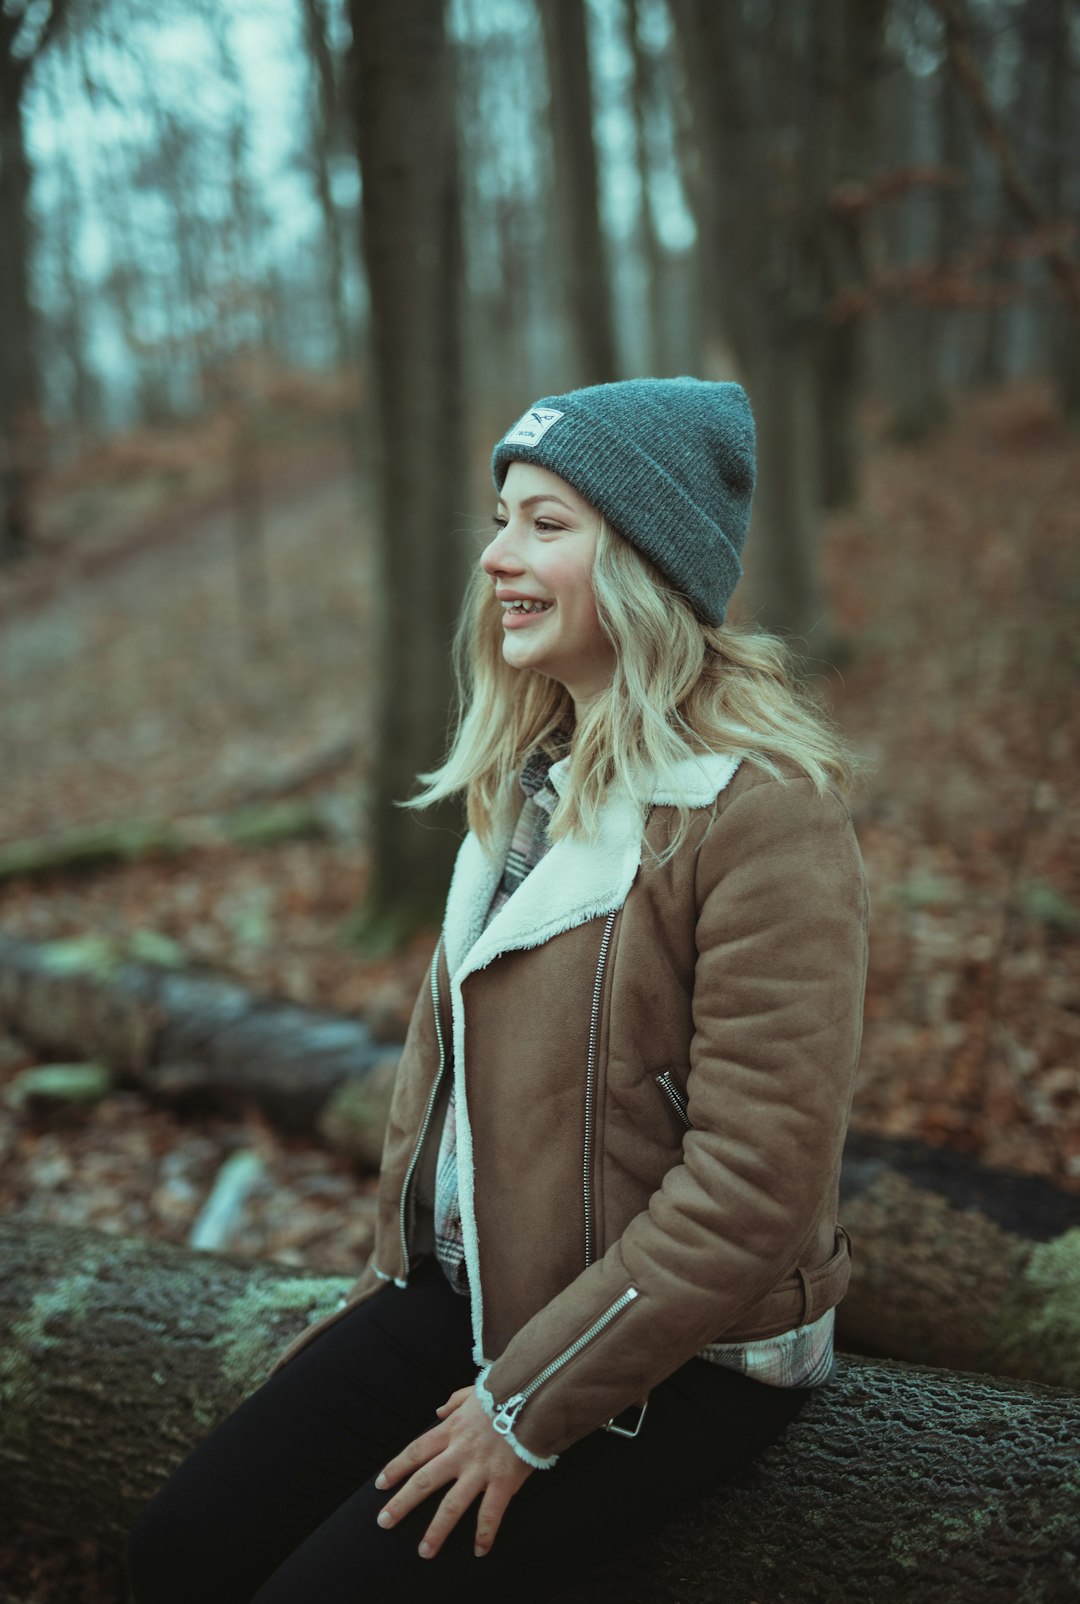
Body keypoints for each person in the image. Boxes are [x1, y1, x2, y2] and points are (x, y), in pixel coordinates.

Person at [127, 377, 870, 1604]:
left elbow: (754, 1189)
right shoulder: (534, 781)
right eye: (500, 518)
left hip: (677, 1354)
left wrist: (518, 1415)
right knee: (182, 1550)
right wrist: (380, 1302)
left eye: (545, 524)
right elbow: (440, 1101)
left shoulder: (765, 819)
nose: (496, 557)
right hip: (478, 1293)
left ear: (642, 559)